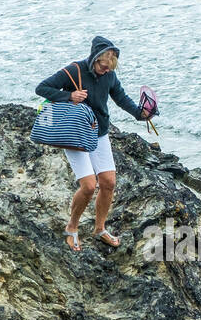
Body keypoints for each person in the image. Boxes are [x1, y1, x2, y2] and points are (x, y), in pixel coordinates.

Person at [35, 35, 152, 253]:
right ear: (94, 58)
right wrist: (69, 95)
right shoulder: (74, 70)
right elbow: (42, 88)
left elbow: (121, 98)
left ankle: (100, 228)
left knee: (108, 182)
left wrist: (140, 114)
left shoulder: (109, 76)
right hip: (76, 135)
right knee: (89, 186)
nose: (105, 70)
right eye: (103, 66)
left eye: (110, 68)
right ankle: (71, 228)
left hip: (99, 134)